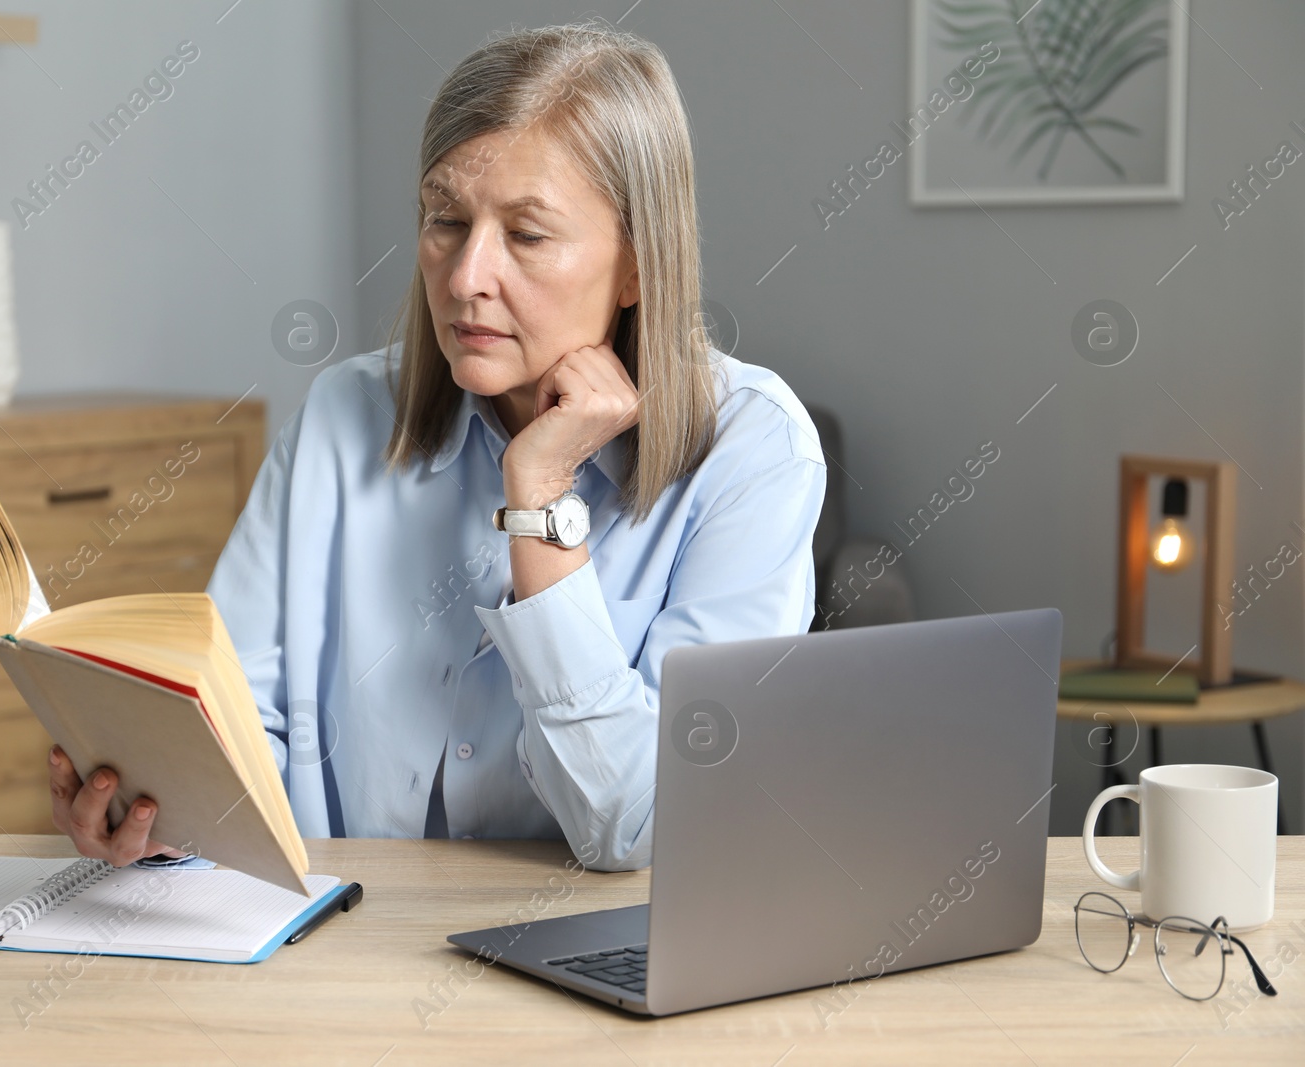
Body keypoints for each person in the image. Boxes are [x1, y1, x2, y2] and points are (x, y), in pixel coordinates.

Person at [49, 20, 826, 873]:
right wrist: (161, 816)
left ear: (638, 266)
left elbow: (638, 828)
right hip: (337, 958)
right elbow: (239, 727)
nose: (463, 277)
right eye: (446, 219)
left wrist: (540, 507)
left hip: (586, 972)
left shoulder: (756, 448)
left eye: (526, 236)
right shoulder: (344, 413)